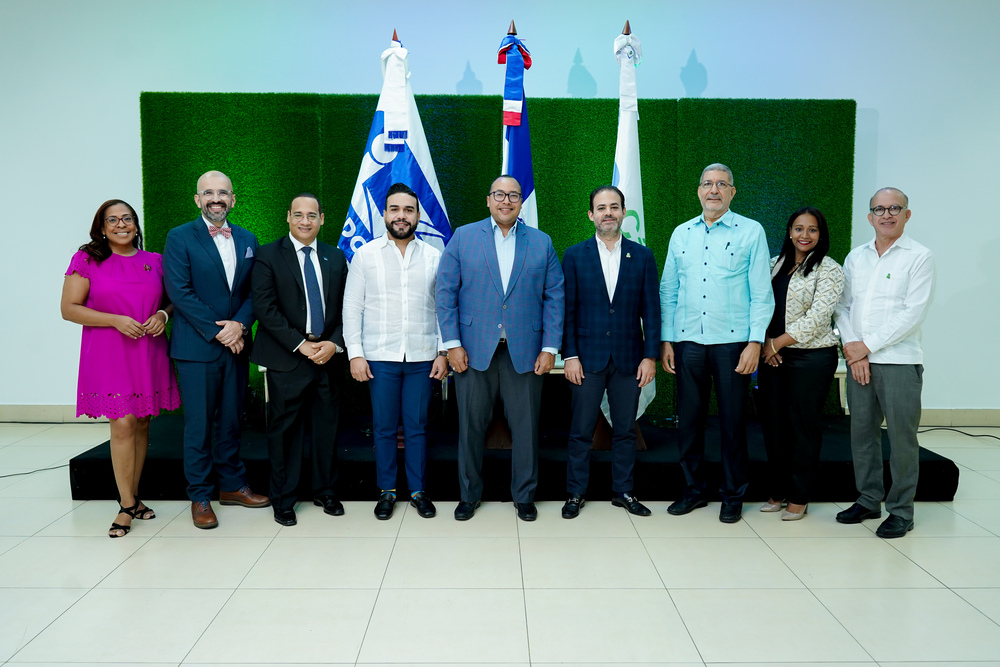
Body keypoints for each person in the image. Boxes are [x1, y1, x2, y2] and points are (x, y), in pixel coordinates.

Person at [436, 175, 565, 522]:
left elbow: (555, 298)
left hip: (526, 350)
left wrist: (550, 347)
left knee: (526, 429)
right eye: (499, 194)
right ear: (488, 199)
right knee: (470, 428)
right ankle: (468, 496)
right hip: (473, 350)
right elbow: (445, 293)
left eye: (513, 195)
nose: (506, 201)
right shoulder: (463, 237)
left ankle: (524, 496)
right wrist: (451, 346)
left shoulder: (541, 242)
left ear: (521, 201)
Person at [659, 163, 773, 523]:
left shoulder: (751, 232)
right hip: (688, 341)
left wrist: (755, 342)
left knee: (732, 423)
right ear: (698, 190)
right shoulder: (681, 234)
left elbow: (761, 293)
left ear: (732, 192)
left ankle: (733, 494)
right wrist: (666, 339)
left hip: (733, 345)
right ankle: (693, 491)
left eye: (722, 184)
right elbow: (669, 290)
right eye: (707, 183)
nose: (714, 190)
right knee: (688, 421)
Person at [60, 199, 181, 537]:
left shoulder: (154, 261)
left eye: (127, 218)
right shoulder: (86, 260)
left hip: (149, 349)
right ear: (101, 227)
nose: (121, 224)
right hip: (110, 352)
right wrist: (115, 321)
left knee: (142, 421)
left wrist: (162, 315)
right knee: (124, 423)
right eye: (112, 220)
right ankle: (126, 504)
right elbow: (69, 309)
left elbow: (172, 300)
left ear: (136, 224)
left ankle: (135, 495)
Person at [163, 170, 268, 529]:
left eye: (223, 192)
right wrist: (219, 331)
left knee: (231, 420)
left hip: (236, 345)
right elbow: (179, 292)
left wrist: (239, 324)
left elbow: (256, 292)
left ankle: (233, 486)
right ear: (197, 200)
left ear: (233, 199)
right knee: (199, 425)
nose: (216, 198)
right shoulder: (179, 238)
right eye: (208, 193)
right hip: (197, 348)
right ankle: (200, 495)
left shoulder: (247, 238)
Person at [343, 183, 449, 520]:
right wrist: (355, 354)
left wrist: (443, 351)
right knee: (385, 426)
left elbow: (443, 309)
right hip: (379, 356)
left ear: (418, 216)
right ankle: (386, 491)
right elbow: (352, 308)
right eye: (394, 209)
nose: (401, 216)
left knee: (417, 426)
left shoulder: (435, 256)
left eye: (408, 210)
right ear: (384, 214)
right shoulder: (365, 255)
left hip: (421, 356)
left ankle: (418, 492)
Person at [834, 187, 933, 538]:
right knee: (861, 434)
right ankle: (868, 499)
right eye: (879, 209)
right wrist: (853, 349)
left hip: (899, 362)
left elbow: (913, 314)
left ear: (907, 214)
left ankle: (902, 510)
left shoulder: (919, 256)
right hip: (858, 360)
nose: (886, 214)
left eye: (895, 208)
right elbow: (841, 307)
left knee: (903, 439)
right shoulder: (855, 257)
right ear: (869, 217)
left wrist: (866, 348)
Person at [560, 185, 659, 519]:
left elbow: (652, 311)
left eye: (614, 207)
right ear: (591, 214)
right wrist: (569, 355)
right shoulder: (575, 255)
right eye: (601, 208)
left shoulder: (642, 256)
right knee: (580, 431)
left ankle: (624, 491)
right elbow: (566, 310)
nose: (607, 213)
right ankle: (575, 493)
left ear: (623, 212)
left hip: (630, 359)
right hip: (586, 360)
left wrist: (650, 356)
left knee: (625, 430)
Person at [250, 193, 348, 526]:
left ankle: (326, 490)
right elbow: (265, 308)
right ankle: (284, 499)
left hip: (327, 358)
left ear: (323, 219)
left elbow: (347, 309)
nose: (305, 221)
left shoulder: (336, 258)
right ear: (288, 218)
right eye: (298, 215)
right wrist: (300, 345)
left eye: (312, 215)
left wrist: (333, 343)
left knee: (326, 429)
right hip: (287, 357)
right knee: (285, 432)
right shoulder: (267, 256)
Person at [758, 207, 845, 521]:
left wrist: (775, 343)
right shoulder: (773, 265)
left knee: (802, 427)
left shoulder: (829, 269)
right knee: (773, 426)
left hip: (811, 357)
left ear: (821, 234)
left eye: (812, 230)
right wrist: (766, 342)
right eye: (798, 229)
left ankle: (799, 496)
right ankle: (777, 492)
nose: (804, 236)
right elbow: (760, 305)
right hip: (772, 356)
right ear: (789, 231)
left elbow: (818, 317)